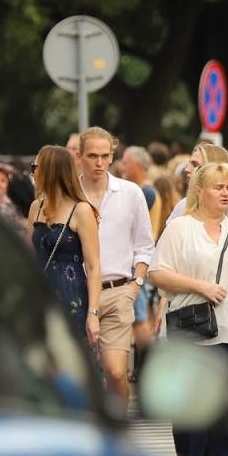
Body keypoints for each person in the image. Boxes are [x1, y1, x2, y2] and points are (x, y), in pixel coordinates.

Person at [149, 162, 228, 456]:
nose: (225, 193)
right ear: (199, 191)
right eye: (217, 187)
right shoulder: (180, 228)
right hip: (191, 331)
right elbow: (157, 273)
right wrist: (200, 287)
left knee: (226, 413)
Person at [79, 127, 155, 405]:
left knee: (115, 372)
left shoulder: (130, 193)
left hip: (117, 291)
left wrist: (135, 285)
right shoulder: (69, 192)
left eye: (105, 156)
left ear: (112, 156)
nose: (99, 162)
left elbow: (145, 245)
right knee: (80, 377)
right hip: (77, 291)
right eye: (92, 156)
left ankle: (119, 426)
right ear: (80, 156)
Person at [30, 145, 101, 344]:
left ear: (49, 171)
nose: (32, 173)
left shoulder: (81, 210)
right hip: (40, 297)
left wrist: (93, 313)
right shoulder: (36, 207)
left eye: (35, 167)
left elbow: (94, 266)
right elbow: (30, 255)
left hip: (71, 297)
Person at [120, 145, 158, 209]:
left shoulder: (146, 192)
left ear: (138, 166)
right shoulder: (140, 189)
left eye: (125, 163)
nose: (121, 168)